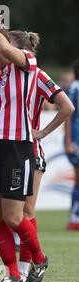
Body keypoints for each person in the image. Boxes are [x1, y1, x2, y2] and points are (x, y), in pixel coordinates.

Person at [0, 10, 73, 282]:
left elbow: (6, 48)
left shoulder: (26, 65)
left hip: (17, 149)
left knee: (14, 216)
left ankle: (39, 259)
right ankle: (13, 274)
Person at [65, 59, 79, 230]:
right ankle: (74, 217)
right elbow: (68, 114)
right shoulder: (75, 87)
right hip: (76, 137)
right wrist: (68, 141)